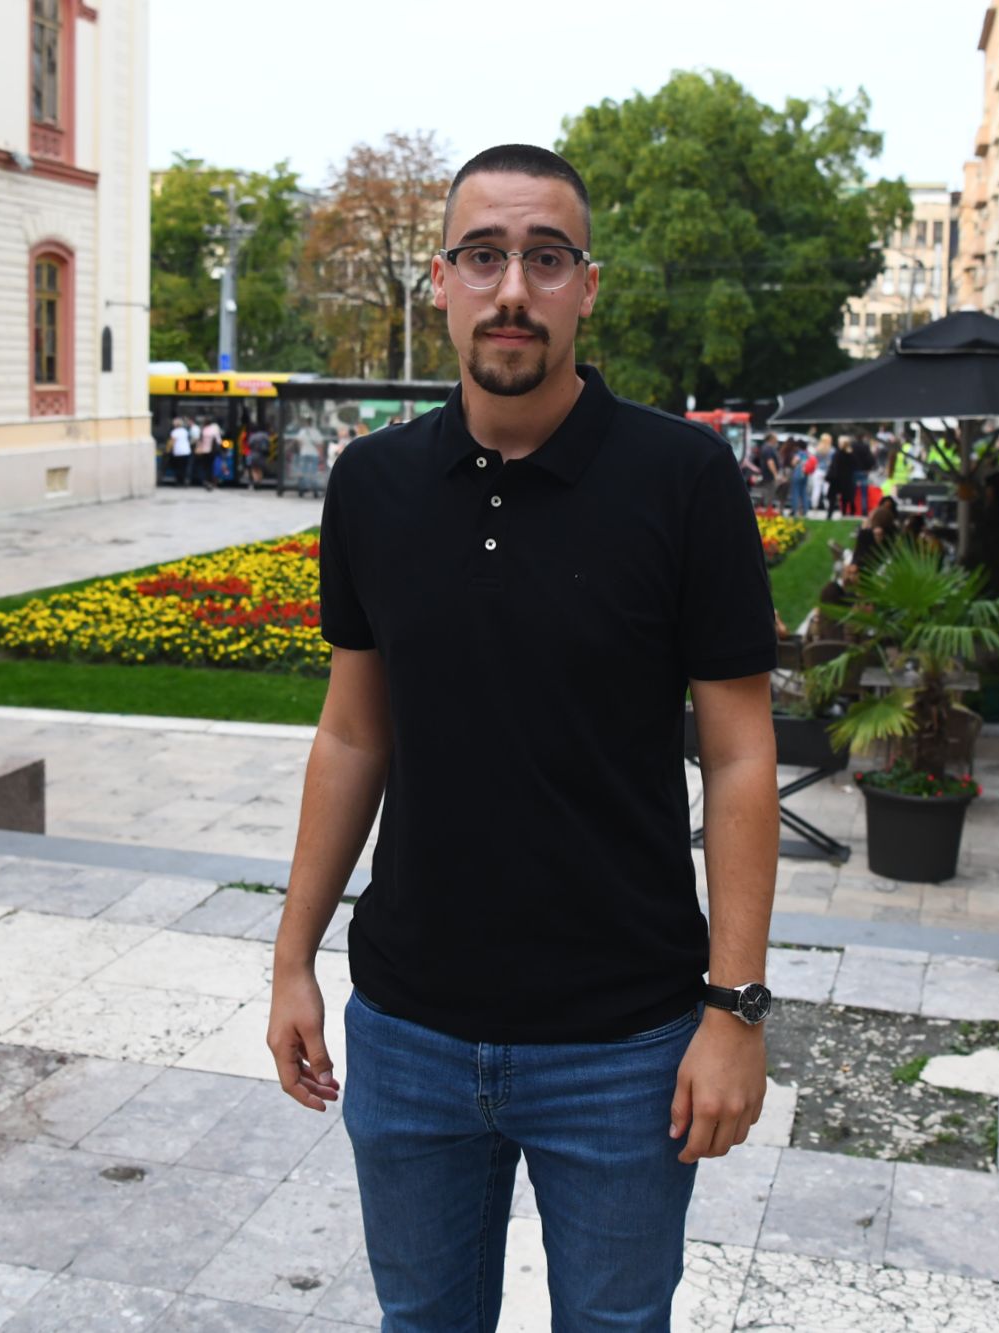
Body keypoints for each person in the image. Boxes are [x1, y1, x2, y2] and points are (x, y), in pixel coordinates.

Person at [266, 144, 780, 1331]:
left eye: (544, 260)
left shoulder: (683, 479)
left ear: (585, 287)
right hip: (406, 1031)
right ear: (440, 283)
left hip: (626, 1042)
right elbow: (352, 733)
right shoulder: (374, 485)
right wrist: (293, 956)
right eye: (484, 257)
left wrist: (734, 1009)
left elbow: (743, 756)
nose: (512, 290)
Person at [824, 433, 856, 519]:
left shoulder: (837, 454)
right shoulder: (851, 455)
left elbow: (834, 467)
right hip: (846, 479)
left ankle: (830, 514)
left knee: (832, 498)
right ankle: (845, 514)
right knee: (845, 498)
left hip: (836, 479)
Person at [788, 437, 814, 517]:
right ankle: (805, 510)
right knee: (803, 493)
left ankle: (794, 510)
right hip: (805, 474)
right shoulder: (807, 453)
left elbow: (793, 463)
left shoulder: (799, 453)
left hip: (797, 474)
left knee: (795, 492)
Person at [196, 417, 221, 491]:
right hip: (212, 452)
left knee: (205, 467)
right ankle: (210, 482)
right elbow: (219, 441)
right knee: (211, 467)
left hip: (204, 451)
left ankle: (205, 481)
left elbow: (200, 441)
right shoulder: (214, 430)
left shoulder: (203, 430)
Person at [169, 417, 193, 487]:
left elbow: (172, 442)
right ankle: (184, 482)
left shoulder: (174, 432)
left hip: (178, 452)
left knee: (178, 468)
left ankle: (179, 482)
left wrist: (169, 450)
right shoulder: (185, 431)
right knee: (184, 468)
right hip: (186, 451)